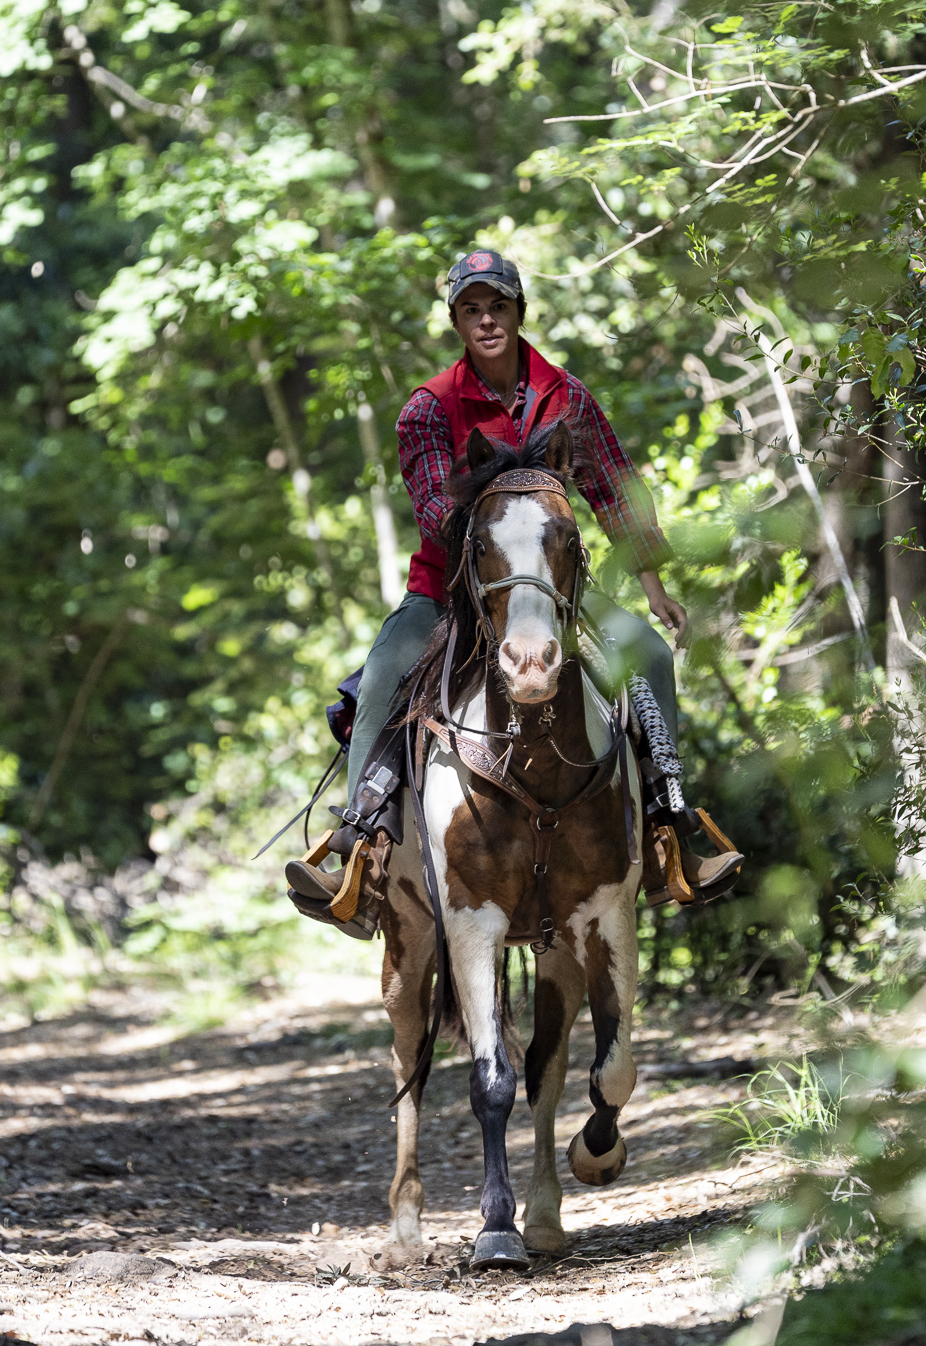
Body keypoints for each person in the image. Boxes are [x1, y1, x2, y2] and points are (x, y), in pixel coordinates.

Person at [285, 249, 742, 928]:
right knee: (382, 675)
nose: (486, 320)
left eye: (498, 306)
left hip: (553, 585)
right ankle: (359, 854)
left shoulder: (566, 396)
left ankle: (666, 835)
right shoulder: (428, 408)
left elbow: (613, 487)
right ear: (456, 322)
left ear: (519, 311)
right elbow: (435, 511)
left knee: (647, 652)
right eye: (471, 310)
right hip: (450, 586)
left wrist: (652, 586)